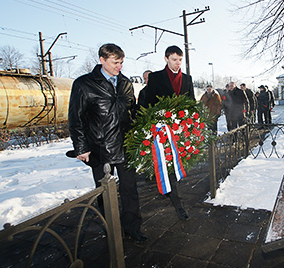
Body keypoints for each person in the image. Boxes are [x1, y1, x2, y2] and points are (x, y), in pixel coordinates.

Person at [68, 43, 147, 242]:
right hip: (100, 149)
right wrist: (81, 148)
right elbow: (75, 118)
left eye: (121, 62)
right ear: (102, 60)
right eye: (115, 63)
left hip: (126, 146)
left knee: (130, 189)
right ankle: (111, 228)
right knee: (105, 193)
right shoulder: (84, 84)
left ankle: (132, 227)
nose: (119, 67)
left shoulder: (126, 83)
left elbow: (132, 111)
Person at [138, 45, 194, 220]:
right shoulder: (155, 77)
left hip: (180, 131)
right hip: (161, 130)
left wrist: (190, 123)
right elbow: (147, 103)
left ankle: (170, 190)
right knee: (167, 164)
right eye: (174, 60)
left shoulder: (187, 79)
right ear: (166, 59)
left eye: (180, 60)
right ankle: (178, 205)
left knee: (175, 165)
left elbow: (191, 102)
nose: (177, 64)